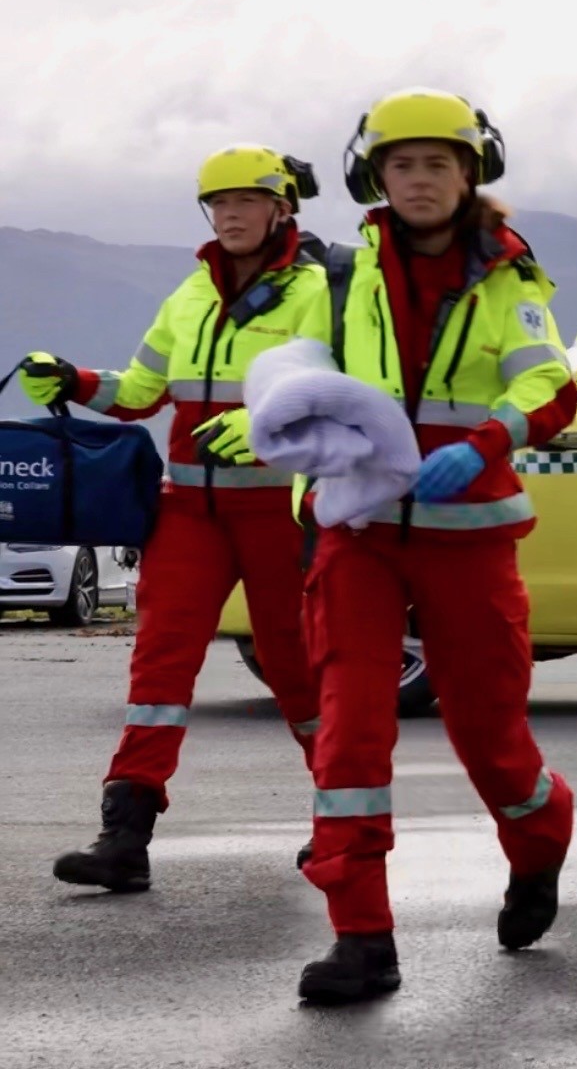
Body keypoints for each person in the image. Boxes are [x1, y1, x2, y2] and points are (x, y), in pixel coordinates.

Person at [288, 88, 577, 1004]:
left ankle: (540, 847)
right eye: (402, 165)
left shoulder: (510, 277)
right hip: (360, 537)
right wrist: (312, 482)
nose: (419, 180)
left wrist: (487, 441)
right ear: (373, 177)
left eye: (438, 164)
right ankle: (361, 937)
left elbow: (550, 386)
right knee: (350, 733)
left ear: (470, 174)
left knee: (491, 739)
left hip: (471, 536)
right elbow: (299, 388)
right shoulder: (337, 277)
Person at [35, 146, 328, 894]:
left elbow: (342, 395)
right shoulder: (189, 293)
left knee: (297, 670)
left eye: (244, 201)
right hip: (188, 512)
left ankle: (340, 826)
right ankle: (123, 838)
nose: (229, 215)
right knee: (158, 670)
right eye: (216, 204)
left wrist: (266, 426)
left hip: (278, 506)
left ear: (281, 207)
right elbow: (140, 391)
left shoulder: (322, 292)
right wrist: (76, 381)